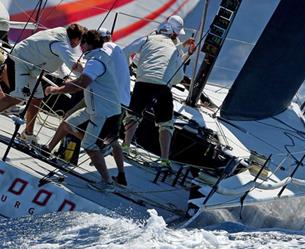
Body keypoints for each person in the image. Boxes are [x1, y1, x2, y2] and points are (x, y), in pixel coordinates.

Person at [43, 30, 127, 188]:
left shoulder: (96, 60)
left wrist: (56, 90)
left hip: (103, 112)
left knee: (88, 145)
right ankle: (47, 149)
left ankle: (107, 182)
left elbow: (81, 84)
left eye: (82, 43)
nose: (80, 46)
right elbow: (95, 76)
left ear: (87, 44)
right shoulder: (98, 57)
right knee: (68, 123)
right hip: (93, 108)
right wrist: (81, 69)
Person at [0, 23, 86, 141]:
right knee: (18, 96)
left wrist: (66, 76)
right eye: (80, 41)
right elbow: (74, 65)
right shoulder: (61, 44)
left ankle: (28, 134)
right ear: (76, 39)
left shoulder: (60, 33)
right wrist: (89, 76)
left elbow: (59, 60)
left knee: (37, 98)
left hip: (30, 67)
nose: (79, 45)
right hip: (20, 62)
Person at [121, 15, 195, 168]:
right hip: (162, 88)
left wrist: (127, 72)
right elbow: (179, 75)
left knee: (133, 115)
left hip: (142, 84)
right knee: (166, 124)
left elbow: (125, 52)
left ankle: (125, 147)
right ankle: (164, 159)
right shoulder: (175, 48)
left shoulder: (148, 39)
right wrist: (168, 81)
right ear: (173, 33)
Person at [99, 27, 131, 108]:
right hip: (124, 101)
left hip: (111, 99)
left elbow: (101, 60)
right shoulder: (120, 50)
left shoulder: (107, 46)